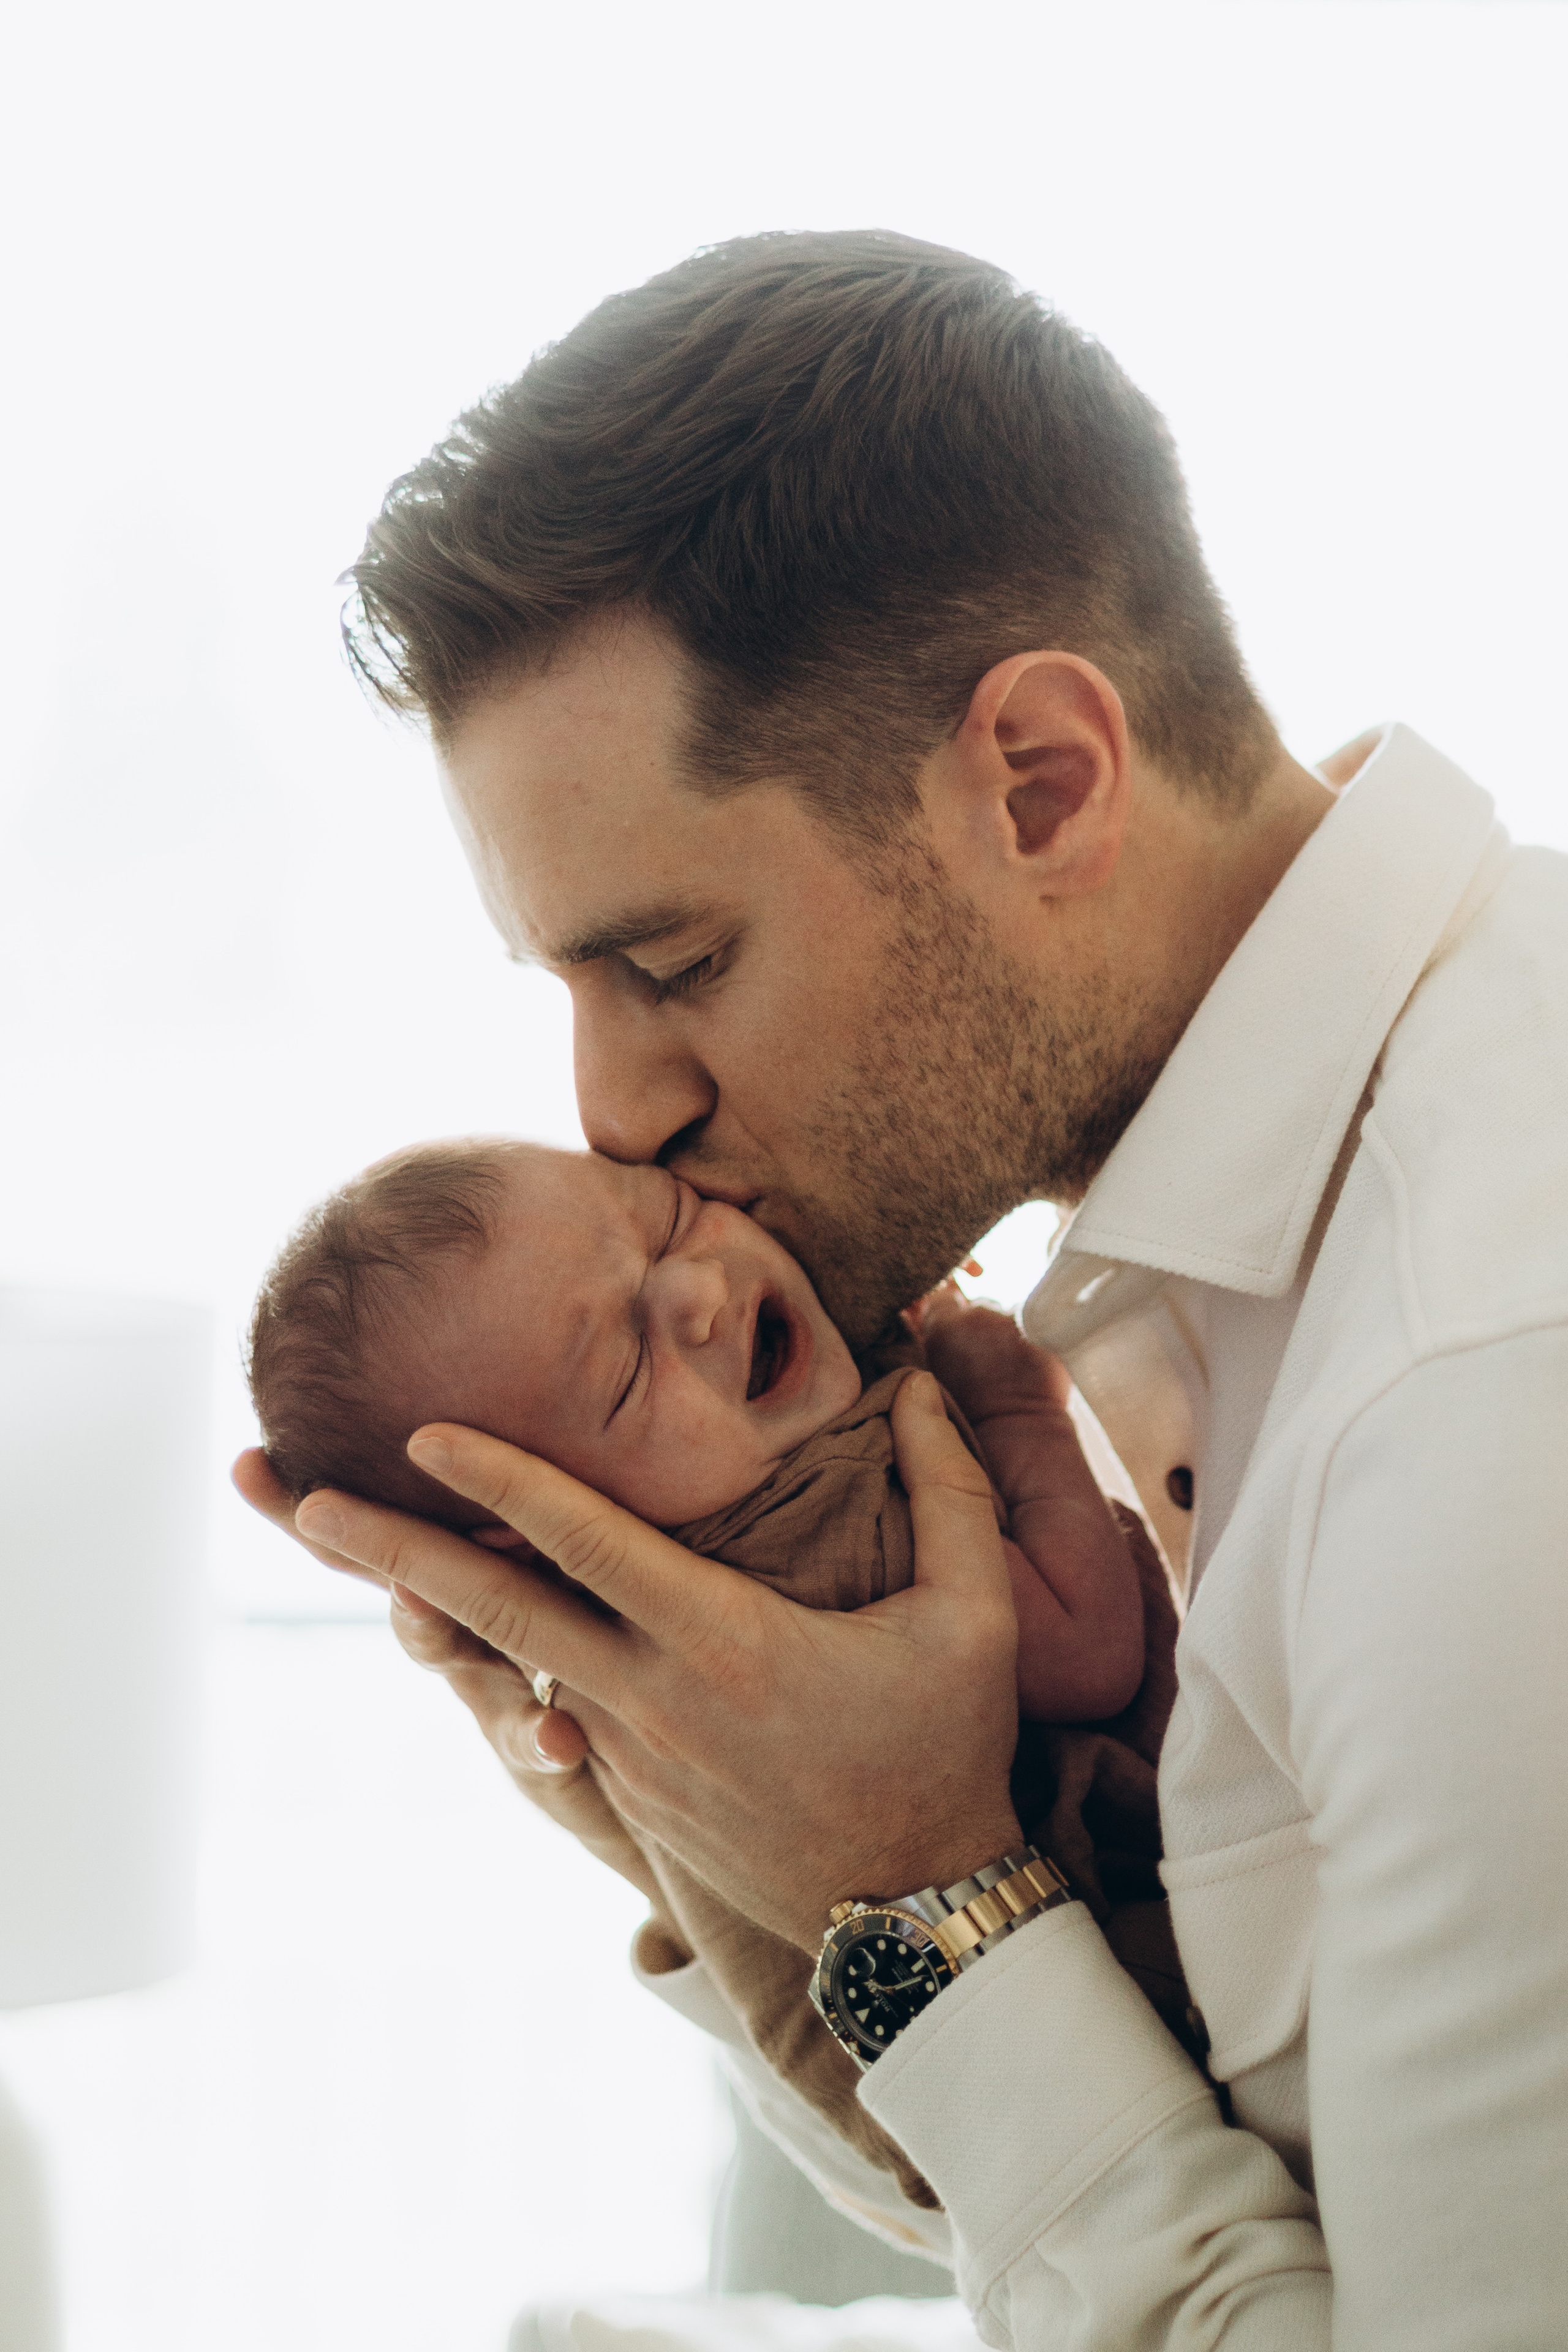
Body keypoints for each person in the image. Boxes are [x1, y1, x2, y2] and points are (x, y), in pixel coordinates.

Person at [235, 231, 1568, 2346]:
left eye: (673, 963)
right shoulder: (1211, 1279)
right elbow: (1168, 2187)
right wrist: (714, 1815)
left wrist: (918, 1895)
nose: (611, 1112)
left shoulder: (1484, 1396)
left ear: (1041, 782)